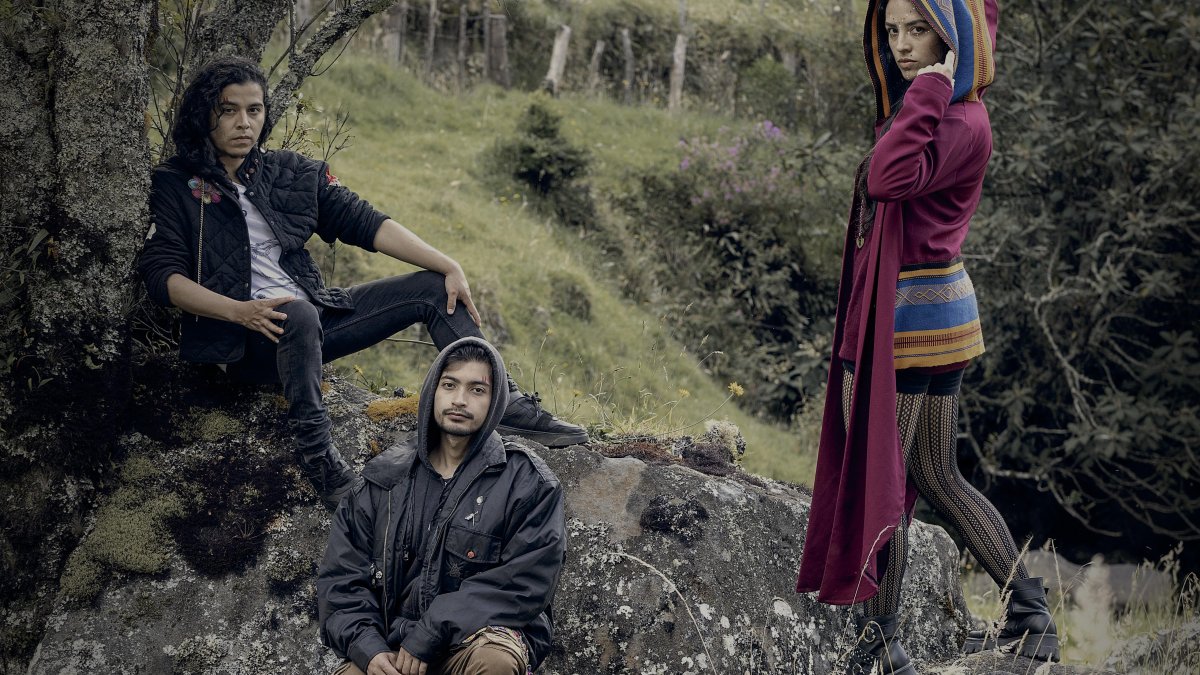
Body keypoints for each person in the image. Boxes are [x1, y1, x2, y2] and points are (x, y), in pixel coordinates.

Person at [138, 57, 586, 510]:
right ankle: (319, 458)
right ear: (203, 113)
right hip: (239, 343)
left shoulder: (288, 173)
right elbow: (163, 277)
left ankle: (501, 403)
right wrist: (239, 312)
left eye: (254, 111)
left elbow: (366, 223)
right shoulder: (175, 184)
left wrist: (449, 264)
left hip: (310, 322)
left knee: (432, 289)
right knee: (297, 312)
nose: (243, 123)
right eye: (228, 110)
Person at [794, 1, 1058, 672]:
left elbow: (887, 177)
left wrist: (934, 87)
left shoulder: (959, 117)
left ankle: (883, 644)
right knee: (937, 473)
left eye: (920, 31)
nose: (904, 47)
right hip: (931, 312)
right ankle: (1031, 612)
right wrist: (925, 93)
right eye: (893, 32)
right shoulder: (937, 110)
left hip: (907, 322)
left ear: (952, 36)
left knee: (886, 480)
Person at [317, 337, 565, 675]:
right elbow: (341, 583)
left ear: (495, 402)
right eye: (450, 385)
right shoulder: (381, 481)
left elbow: (525, 581)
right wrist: (369, 649)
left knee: (495, 661)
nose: (460, 400)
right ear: (434, 391)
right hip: (393, 652)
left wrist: (433, 630)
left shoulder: (528, 481)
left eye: (477, 390)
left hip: (473, 643)